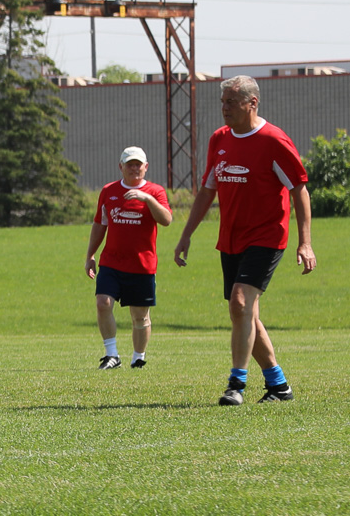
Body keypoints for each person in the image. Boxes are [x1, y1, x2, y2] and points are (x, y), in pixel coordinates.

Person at [174, 75, 316, 406]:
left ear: (252, 103)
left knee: (240, 303)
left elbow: (299, 189)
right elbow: (207, 190)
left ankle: (236, 385)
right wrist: (186, 234)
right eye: (222, 102)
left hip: (267, 236)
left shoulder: (273, 140)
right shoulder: (219, 139)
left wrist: (305, 242)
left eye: (231, 102)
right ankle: (279, 386)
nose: (224, 108)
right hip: (231, 239)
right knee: (245, 314)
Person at [85, 146, 172, 369]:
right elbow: (100, 224)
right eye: (129, 164)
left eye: (138, 164)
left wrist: (147, 199)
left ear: (146, 167)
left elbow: (166, 220)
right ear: (121, 167)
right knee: (103, 303)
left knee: (140, 316)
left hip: (142, 264)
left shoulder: (155, 191)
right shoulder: (109, 191)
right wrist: (90, 255)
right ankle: (111, 355)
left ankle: (138, 357)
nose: (134, 168)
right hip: (112, 261)